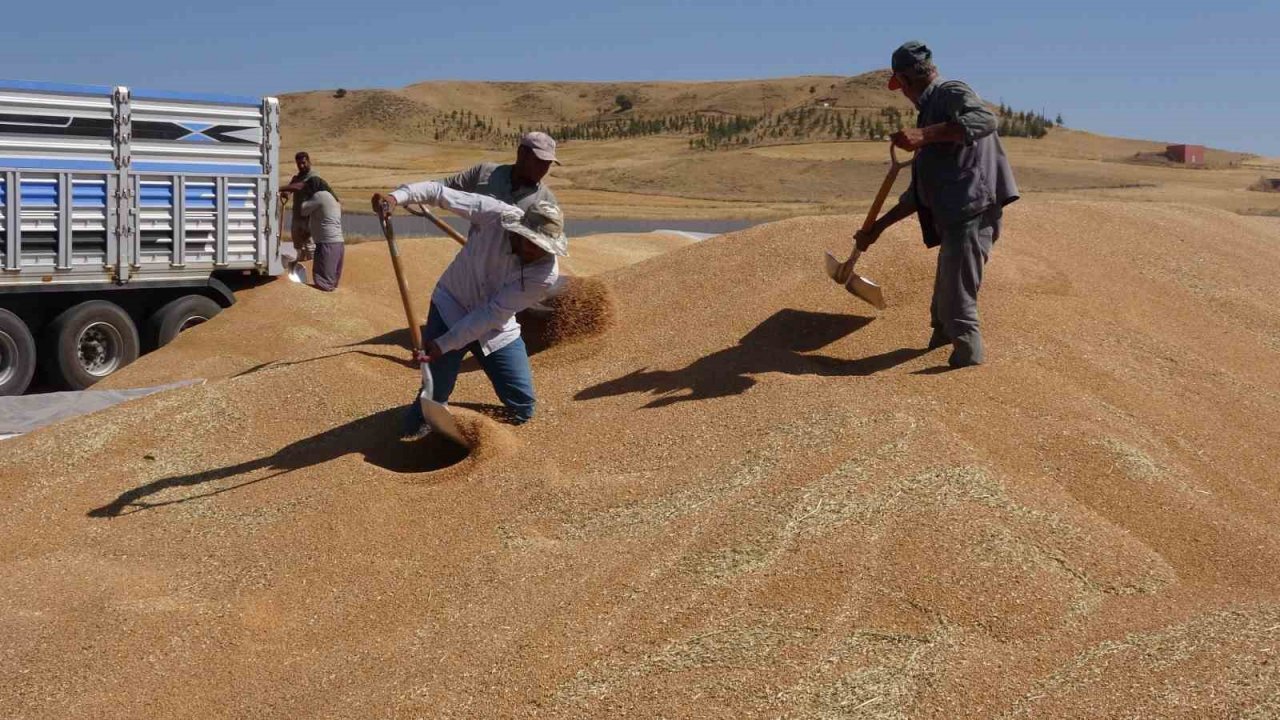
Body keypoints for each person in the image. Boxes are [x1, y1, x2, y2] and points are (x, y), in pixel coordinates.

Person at [854, 41, 1019, 368]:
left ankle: (965, 371)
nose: (901, 92)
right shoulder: (930, 110)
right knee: (943, 302)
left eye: (899, 85)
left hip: (973, 212)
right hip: (955, 216)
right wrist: (876, 229)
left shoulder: (949, 92)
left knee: (957, 304)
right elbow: (920, 194)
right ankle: (938, 348)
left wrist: (924, 135)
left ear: (904, 79)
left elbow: (985, 120)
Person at [370, 181, 568, 435]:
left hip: (495, 327)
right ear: (521, 231)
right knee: (433, 393)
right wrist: (397, 198)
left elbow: (492, 313)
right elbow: (438, 193)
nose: (536, 251)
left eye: (543, 247)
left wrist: (443, 344)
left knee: (523, 406)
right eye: (532, 242)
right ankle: (414, 431)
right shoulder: (496, 215)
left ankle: (480, 434)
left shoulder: (544, 273)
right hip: (451, 306)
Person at [438, 131, 560, 212]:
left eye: (548, 163)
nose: (543, 169)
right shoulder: (484, 173)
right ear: (521, 153)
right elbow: (441, 187)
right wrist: (420, 194)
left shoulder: (547, 201)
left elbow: (549, 245)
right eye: (539, 161)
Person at [280, 151, 336, 261]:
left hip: (310, 217)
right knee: (298, 245)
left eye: (303, 163)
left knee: (310, 245)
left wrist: (281, 187)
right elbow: (291, 189)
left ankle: (312, 268)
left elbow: (300, 187)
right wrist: (286, 193)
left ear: (309, 162)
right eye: (298, 164)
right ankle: (300, 265)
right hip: (297, 215)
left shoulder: (313, 176)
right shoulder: (296, 177)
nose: (301, 166)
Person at [299, 189, 345, 291]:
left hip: (326, 243)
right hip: (338, 243)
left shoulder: (320, 195)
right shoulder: (333, 200)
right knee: (332, 284)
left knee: (323, 284)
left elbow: (303, 210)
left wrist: (302, 198)